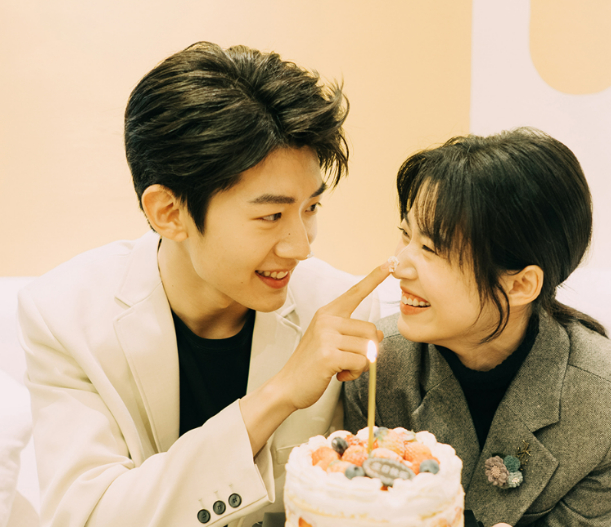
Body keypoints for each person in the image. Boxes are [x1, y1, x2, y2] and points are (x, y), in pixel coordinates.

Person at [19, 41, 389, 527]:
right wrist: (278, 394)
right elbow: (87, 517)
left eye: (311, 208)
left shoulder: (341, 313)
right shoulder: (66, 317)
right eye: (271, 216)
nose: (301, 247)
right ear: (169, 213)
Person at [344, 128, 611, 527]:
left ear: (520, 285)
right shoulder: (377, 364)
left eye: (430, 248)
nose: (399, 266)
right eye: (405, 236)